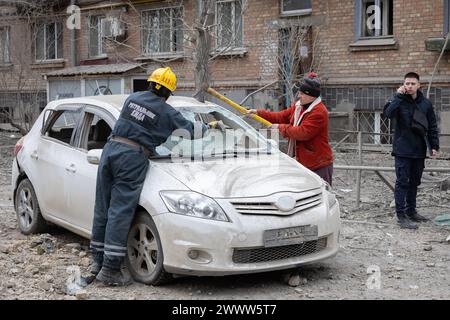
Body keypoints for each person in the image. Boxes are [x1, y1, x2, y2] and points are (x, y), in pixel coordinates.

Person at [89, 67, 210, 286]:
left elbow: (138, 123)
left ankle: (97, 262)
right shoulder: (166, 111)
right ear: (167, 92)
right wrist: (211, 126)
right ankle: (110, 270)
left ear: (151, 83)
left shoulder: (132, 99)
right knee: (120, 211)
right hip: (130, 158)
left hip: (110, 150)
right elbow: (192, 131)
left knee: (103, 207)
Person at [247, 73, 334, 186]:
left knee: (321, 195)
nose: (299, 96)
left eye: (302, 93)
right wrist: (259, 113)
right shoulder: (299, 106)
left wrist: (280, 127)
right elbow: (281, 116)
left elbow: (302, 133)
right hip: (303, 162)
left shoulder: (319, 112)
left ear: (311, 96)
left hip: (318, 164)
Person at [383, 72, 439, 229]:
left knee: (415, 182)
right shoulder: (399, 101)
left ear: (419, 85)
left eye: (413, 83)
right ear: (403, 85)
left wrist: (434, 146)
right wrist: (398, 96)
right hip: (402, 150)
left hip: (419, 149)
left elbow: (432, 126)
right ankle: (401, 216)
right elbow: (387, 114)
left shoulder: (426, 104)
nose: (409, 86)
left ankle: (411, 211)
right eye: (407, 83)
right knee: (402, 182)